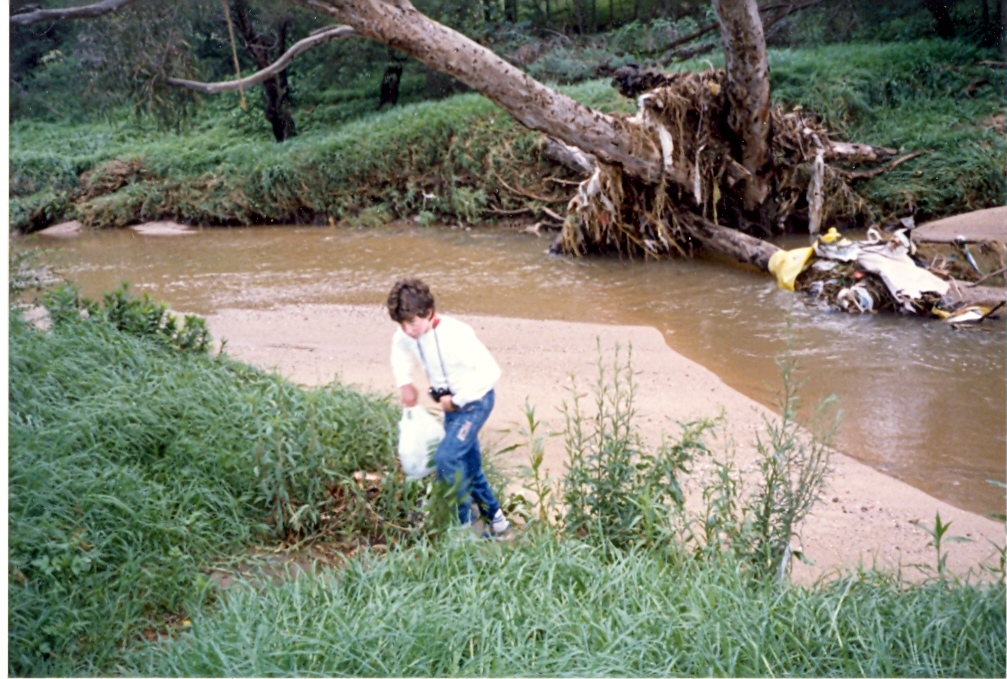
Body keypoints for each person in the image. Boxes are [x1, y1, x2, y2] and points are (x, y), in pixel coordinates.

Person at [387, 278, 511, 537]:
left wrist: (457, 400)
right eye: (402, 324)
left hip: (475, 402)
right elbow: (399, 350)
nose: (407, 330)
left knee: (446, 457)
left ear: (429, 313)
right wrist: (405, 383)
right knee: (469, 463)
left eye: (412, 323)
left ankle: (461, 527)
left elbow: (490, 372)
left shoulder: (456, 334)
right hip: (450, 405)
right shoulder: (407, 334)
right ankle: (498, 523)